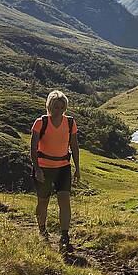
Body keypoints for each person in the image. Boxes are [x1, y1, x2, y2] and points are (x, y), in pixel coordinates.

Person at [31, 90, 81, 251]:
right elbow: (33, 148)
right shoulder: (41, 122)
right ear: (49, 107)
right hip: (44, 167)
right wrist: (37, 169)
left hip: (63, 168)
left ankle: (64, 235)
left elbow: (74, 146)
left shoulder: (71, 123)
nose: (58, 110)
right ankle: (42, 230)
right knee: (43, 202)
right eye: (55, 107)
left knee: (64, 201)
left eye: (61, 107)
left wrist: (77, 168)